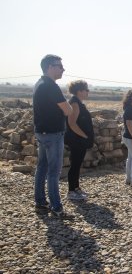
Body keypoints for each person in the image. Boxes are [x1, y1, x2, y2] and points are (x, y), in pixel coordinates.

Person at [33, 54, 72, 218]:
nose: (63, 69)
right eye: (60, 66)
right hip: (53, 134)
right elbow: (68, 110)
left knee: (42, 167)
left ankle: (41, 203)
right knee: (54, 172)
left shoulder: (39, 84)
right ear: (50, 67)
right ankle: (56, 208)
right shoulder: (51, 86)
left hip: (41, 132)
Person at [65, 80, 94, 200]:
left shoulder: (78, 103)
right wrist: (84, 136)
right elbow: (72, 123)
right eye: (86, 90)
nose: (88, 92)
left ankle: (76, 188)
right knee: (75, 165)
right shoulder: (75, 103)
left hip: (79, 140)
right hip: (77, 140)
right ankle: (71, 191)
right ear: (79, 91)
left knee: (77, 164)